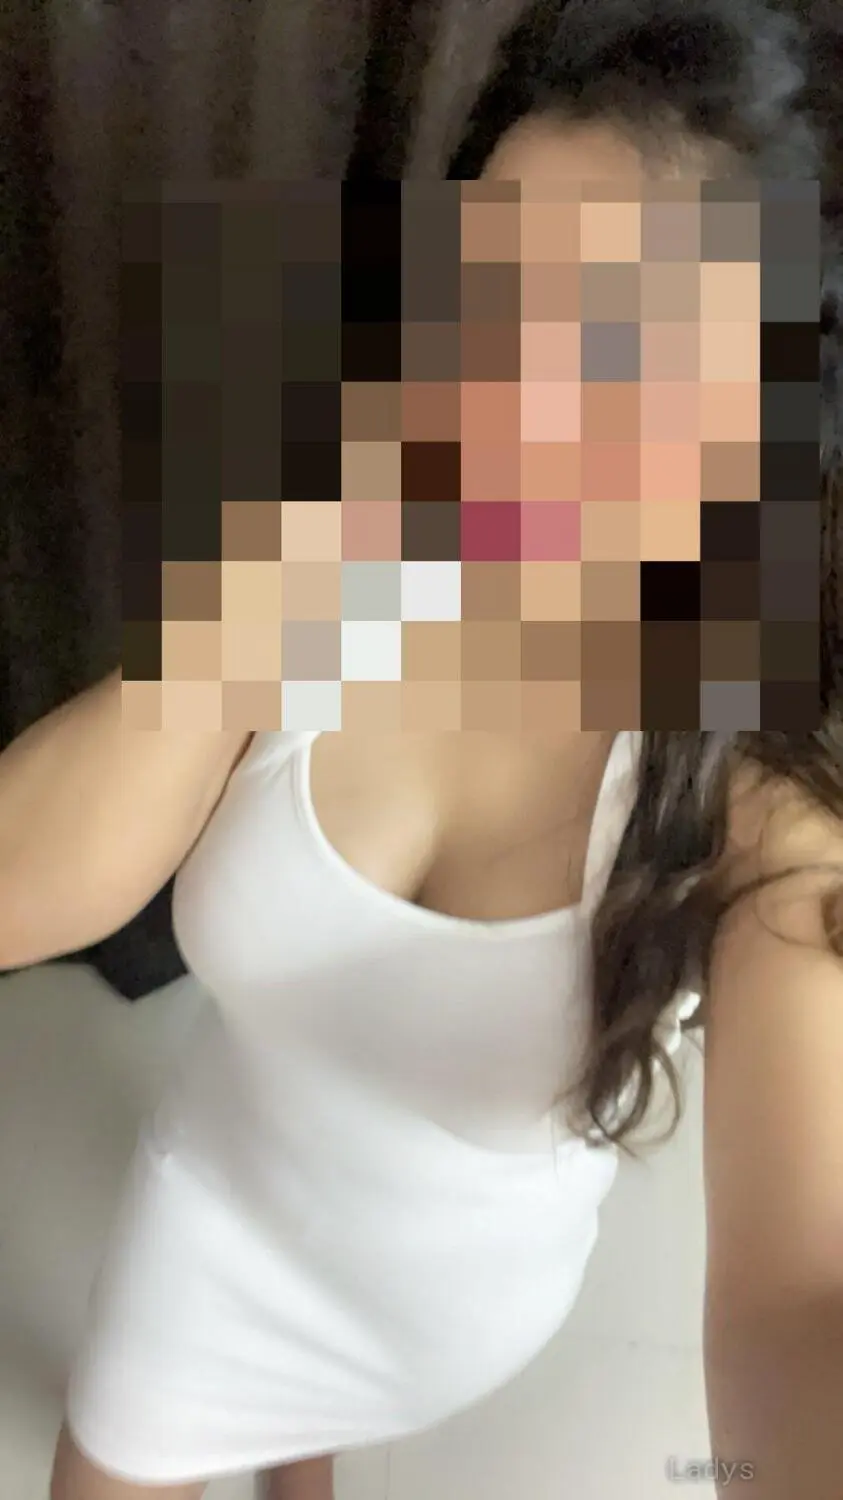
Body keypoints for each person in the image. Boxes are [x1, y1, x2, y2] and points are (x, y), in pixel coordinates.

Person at [0, 2, 842, 1499]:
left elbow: (799, 1309)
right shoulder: (346, 537)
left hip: (456, 1309)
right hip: (218, 1217)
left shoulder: (754, 812)